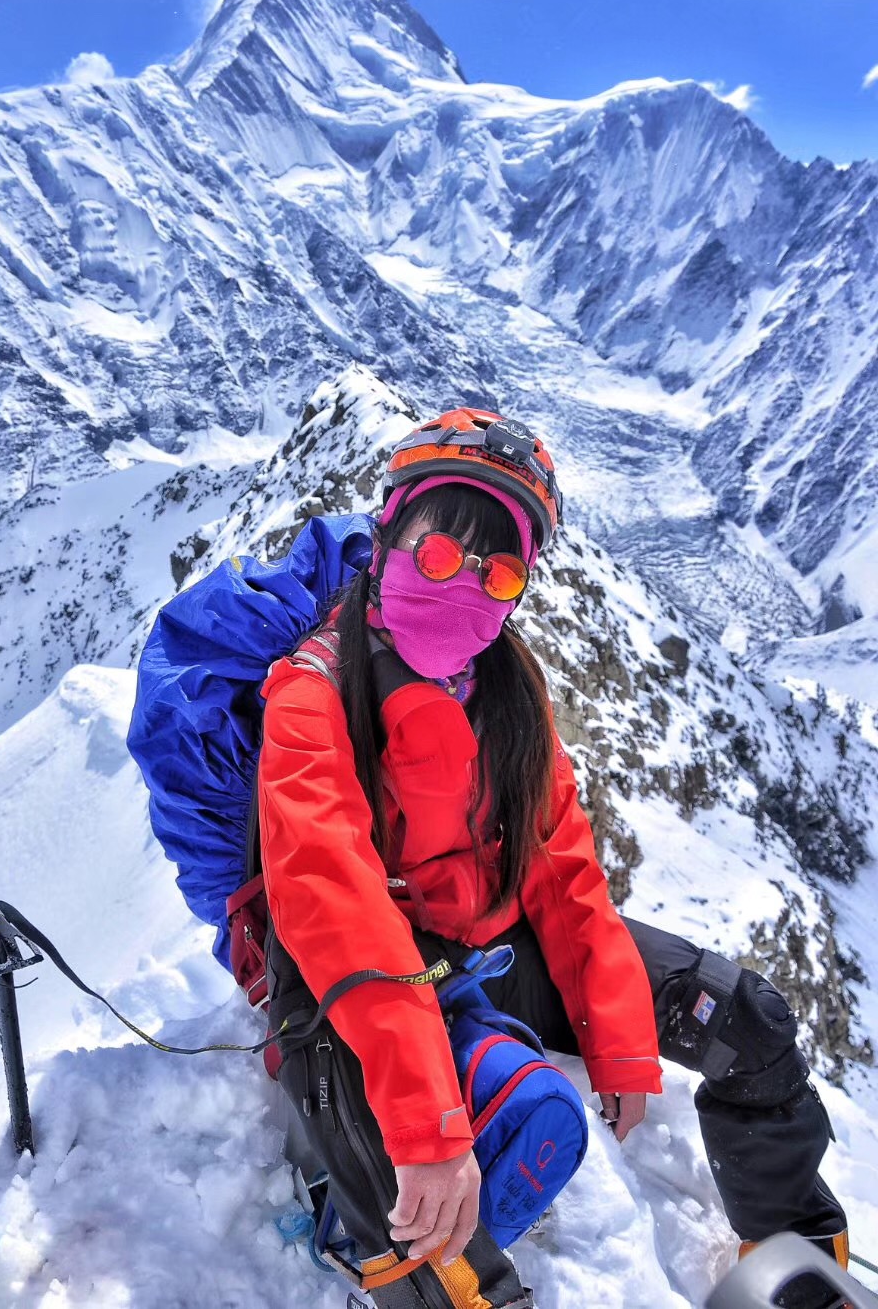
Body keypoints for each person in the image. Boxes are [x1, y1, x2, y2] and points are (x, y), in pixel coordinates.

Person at [256, 408, 848, 1309]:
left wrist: (619, 1043)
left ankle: (802, 1269)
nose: (466, 585)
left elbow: (565, 876)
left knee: (750, 1021)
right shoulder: (314, 694)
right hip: (359, 993)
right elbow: (336, 909)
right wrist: (428, 1124)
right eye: (441, 550)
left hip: (493, 951)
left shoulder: (506, 694)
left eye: (497, 570)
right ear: (388, 535)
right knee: (439, 1246)